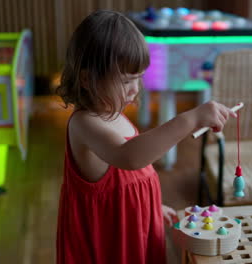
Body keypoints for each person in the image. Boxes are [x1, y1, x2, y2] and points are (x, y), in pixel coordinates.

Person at [55, 10, 236, 264]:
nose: (135, 89)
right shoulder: (84, 124)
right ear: (87, 78)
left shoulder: (116, 115)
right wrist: (190, 119)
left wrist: (150, 208)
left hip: (134, 227)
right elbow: (130, 157)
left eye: (139, 79)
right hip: (108, 242)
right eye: (126, 80)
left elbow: (130, 179)